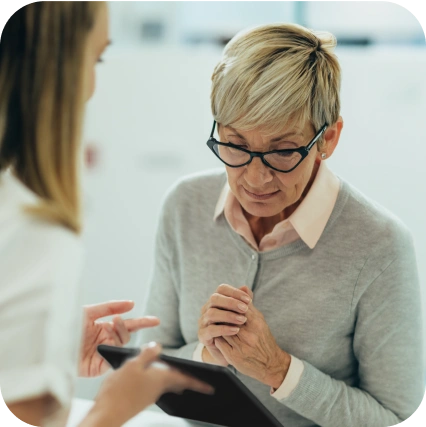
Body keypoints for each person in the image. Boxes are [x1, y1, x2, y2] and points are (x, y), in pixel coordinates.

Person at [137, 23, 424, 427]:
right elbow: (147, 367)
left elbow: (396, 419)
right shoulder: (185, 206)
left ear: (328, 139)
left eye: (284, 151)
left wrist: (279, 370)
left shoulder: (380, 245)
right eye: (235, 144)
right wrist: (207, 353)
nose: (255, 179)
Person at [0, 1, 213, 427]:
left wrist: (43, 348)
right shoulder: (36, 227)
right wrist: (113, 408)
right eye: (94, 58)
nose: (93, 85)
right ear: (53, 68)